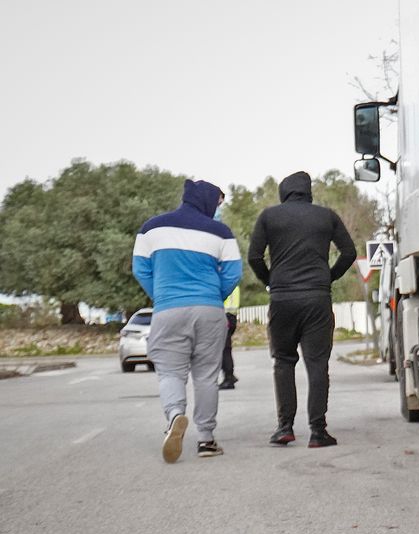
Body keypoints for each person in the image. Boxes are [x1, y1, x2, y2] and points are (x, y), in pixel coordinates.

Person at [132, 179, 241, 462]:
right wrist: (213, 296)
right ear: (207, 202)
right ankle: (206, 439)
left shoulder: (151, 227)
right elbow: (233, 273)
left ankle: (175, 416)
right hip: (209, 311)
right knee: (205, 376)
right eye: (217, 203)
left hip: (168, 310)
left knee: (170, 372)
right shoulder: (221, 232)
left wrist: (162, 295)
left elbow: (140, 268)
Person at [247, 171, 357, 447]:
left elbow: (254, 257)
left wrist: (271, 280)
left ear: (284, 192)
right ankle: (318, 432)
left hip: (283, 300)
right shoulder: (326, 216)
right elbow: (349, 253)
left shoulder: (269, 216)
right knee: (317, 364)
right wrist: (327, 277)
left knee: (283, 362)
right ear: (308, 192)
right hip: (317, 300)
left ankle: (285, 427)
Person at [220, 284, 240, 389]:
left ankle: (229, 378)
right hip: (231, 315)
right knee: (225, 348)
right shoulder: (233, 282)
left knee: (224, 349)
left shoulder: (226, 282)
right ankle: (230, 375)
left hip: (224, 315)